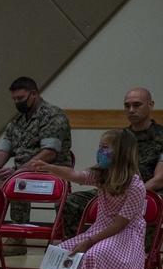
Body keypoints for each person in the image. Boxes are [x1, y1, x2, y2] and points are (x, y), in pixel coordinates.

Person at [35, 129, 146, 269]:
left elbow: (120, 224)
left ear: (121, 152)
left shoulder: (135, 185)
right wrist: (51, 168)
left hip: (125, 235)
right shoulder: (101, 175)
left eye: (105, 148)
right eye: (99, 147)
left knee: (95, 255)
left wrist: (88, 241)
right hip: (100, 230)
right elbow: (77, 175)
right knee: (58, 255)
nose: (100, 151)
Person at [62, 88, 161, 244]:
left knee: (149, 205)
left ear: (150, 105)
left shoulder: (160, 137)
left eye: (137, 105)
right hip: (113, 187)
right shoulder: (119, 137)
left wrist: (128, 194)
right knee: (70, 201)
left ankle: (140, 252)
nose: (131, 110)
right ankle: (82, 247)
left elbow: (159, 180)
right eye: (127, 106)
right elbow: (102, 168)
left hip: (145, 191)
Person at [0, 76, 72, 255]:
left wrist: (18, 171)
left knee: (16, 180)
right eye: (14, 100)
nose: (17, 103)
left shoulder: (52, 116)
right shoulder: (17, 123)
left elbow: (49, 153)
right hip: (22, 174)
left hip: (51, 172)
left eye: (20, 98)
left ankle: (68, 240)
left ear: (34, 94)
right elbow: (2, 153)